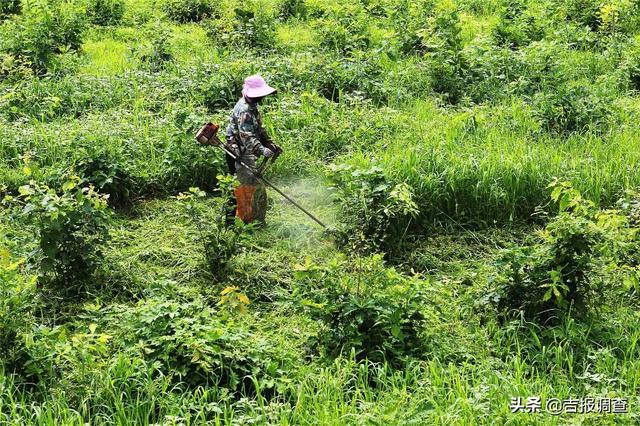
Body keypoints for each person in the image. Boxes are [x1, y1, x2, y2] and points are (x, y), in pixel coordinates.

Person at [224, 74, 280, 225]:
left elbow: (259, 129)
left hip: (245, 151)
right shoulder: (244, 110)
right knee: (245, 187)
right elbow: (247, 136)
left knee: (246, 185)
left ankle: (250, 220)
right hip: (238, 152)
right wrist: (262, 150)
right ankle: (243, 222)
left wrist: (269, 143)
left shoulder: (252, 106)